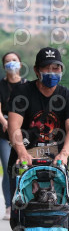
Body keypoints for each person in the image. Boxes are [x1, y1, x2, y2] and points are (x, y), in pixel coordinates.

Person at [0, 47, 69, 231]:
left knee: (56, 205)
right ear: (37, 70)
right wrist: (21, 152)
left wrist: (65, 153)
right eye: (46, 68)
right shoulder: (22, 94)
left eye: (56, 67)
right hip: (24, 160)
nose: (51, 72)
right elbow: (14, 127)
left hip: (55, 162)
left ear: (62, 69)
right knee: (20, 210)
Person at [0, 52, 27, 220]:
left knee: (23, 168)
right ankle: (9, 206)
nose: (11, 64)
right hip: (3, 133)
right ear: (4, 66)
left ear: (20, 64)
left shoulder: (27, 86)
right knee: (8, 168)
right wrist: (6, 124)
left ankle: (24, 203)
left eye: (14, 60)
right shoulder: (0, 85)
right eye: (8, 61)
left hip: (22, 134)